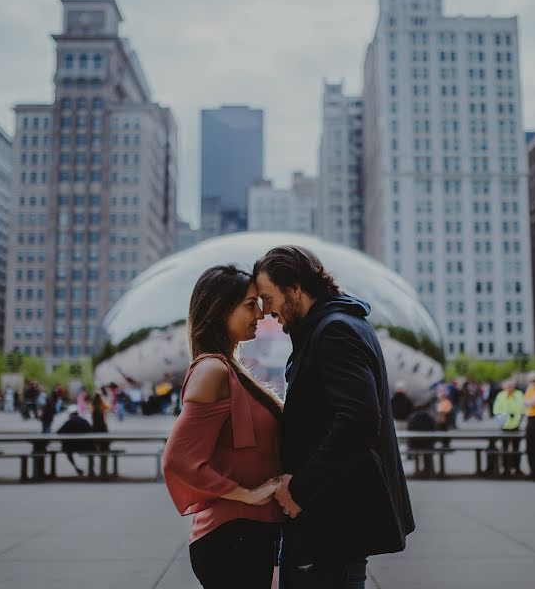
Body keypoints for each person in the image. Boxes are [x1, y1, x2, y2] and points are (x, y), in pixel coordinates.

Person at [253, 245, 414, 588]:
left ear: (295, 287)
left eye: (268, 297)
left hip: (331, 522)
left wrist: (299, 489)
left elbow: (359, 420)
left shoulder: (334, 331)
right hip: (330, 518)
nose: (266, 311)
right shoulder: (336, 325)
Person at [162, 264, 284, 589]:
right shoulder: (212, 370)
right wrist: (246, 494)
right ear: (220, 308)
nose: (260, 314)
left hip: (250, 534)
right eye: (249, 305)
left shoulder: (231, 369)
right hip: (232, 537)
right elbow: (178, 460)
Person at [493, 380, 525, 476]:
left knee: (516, 448)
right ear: (505, 387)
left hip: (516, 425)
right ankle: (505, 469)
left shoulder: (519, 394)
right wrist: (503, 418)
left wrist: (520, 419)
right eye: (508, 386)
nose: (510, 388)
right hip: (505, 426)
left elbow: (523, 408)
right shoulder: (501, 395)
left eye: (512, 386)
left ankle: (517, 469)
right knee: (505, 448)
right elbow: (496, 410)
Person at [57, 406, 93, 476]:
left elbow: (59, 433)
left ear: (71, 415)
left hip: (71, 447)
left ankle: (76, 468)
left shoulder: (69, 422)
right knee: (92, 452)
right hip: (86, 446)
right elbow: (91, 431)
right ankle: (91, 469)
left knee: (67, 451)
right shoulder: (84, 421)